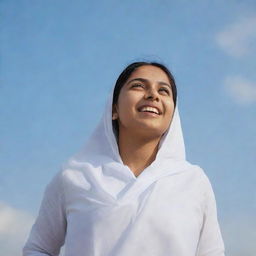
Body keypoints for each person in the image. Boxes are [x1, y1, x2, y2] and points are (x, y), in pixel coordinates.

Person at [23, 61, 225, 256]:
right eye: (138, 86)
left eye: (163, 91)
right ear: (113, 109)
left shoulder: (193, 181)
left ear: (173, 114)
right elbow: (38, 249)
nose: (153, 95)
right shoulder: (75, 175)